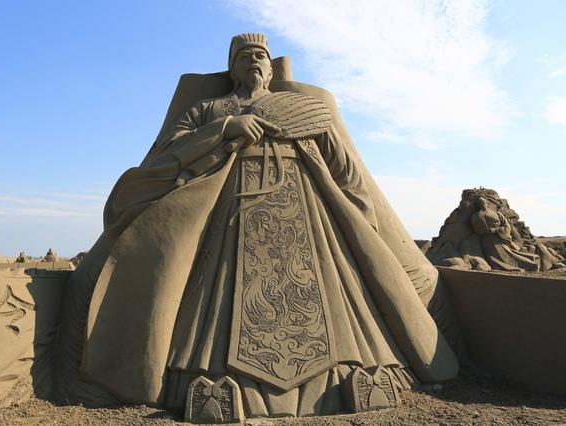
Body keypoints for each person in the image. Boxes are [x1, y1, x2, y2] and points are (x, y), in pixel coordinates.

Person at [55, 33, 458, 417]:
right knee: (223, 294)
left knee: (329, 293)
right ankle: (215, 381)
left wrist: (354, 207)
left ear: (270, 69)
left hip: (306, 211)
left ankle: (352, 375)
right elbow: (169, 152)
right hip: (231, 211)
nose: (253, 61)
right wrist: (225, 129)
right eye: (244, 56)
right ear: (232, 69)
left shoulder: (301, 108)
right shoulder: (208, 110)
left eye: (260, 56)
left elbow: (344, 168)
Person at [470, 196, 540, 272]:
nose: (481, 203)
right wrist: (486, 231)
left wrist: (497, 230)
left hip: (499, 238)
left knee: (509, 254)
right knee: (494, 258)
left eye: (483, 202)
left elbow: (506, 225)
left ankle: (531, 264)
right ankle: (525, 265)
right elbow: (477, 229)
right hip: (487, 240)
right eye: (479, 202)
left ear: (487, 203)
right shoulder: (476, 216)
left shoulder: (497, 214)